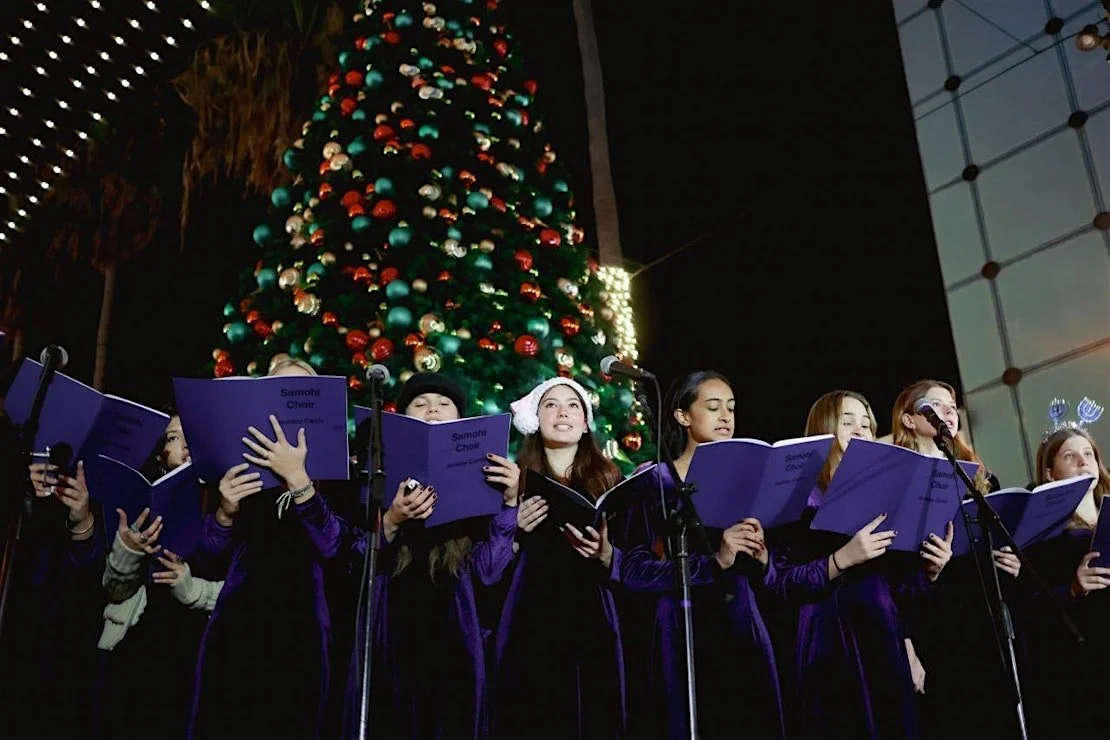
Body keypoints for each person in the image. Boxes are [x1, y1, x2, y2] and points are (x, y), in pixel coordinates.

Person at [771, 389, 953, 740]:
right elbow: (781, 583)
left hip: (883, 639)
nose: (860, 429)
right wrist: (843, 559)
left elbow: (896, 587)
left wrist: (930, 570)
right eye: (848, 421)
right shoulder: (801, 497)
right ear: (824, 428)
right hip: (830, 646)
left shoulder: (886, 496)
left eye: (867, 424)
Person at [617, 370, 784, 739]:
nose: (726, 416)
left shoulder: (750, 478)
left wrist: (762, 558)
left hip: (742, 623)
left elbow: (778, 574)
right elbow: (632, 569)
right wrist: (714, 562)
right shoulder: (656, 482)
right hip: (682, 630)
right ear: (683, 416)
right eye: (712, 407)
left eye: (731, 408)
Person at [354, 372, 520, 739]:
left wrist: (509, 504)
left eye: (444, 404)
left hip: (455, 650)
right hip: (390, 641)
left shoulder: (482, 488)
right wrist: (392, 520)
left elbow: (489, 573)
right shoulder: (374, 480)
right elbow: (353, 561)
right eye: (420, 403)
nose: (432, 409)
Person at [187, 357, 346, 739]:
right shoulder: (235, 469)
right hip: (237, 631)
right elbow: (207, 556)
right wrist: (225, 512)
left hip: (301, 637)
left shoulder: (336, 474)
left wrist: (299, 481)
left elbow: (335, 546)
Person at [493, 377, 626, 738]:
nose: (562, 412)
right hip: (529, 616)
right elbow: (487, 567)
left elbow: (633, 560)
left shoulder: (612, 481)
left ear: (585, 423)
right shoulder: (511, 481)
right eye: (551, 404)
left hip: (592, 615)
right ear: (536, 419)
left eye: (573, 405)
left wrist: (606, 553)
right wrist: (512, 526)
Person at [889, 379, 1021, 740]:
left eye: (952, 406)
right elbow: (888, 574)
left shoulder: (980, 478)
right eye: (935, 405)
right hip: (936, 626)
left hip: (985, 620)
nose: (948, 411)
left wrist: (1011, 565)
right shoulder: (895, 482)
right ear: (908, 419)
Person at [1022, 399, 1109, 737]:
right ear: (1049, 472)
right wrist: (1074, 588)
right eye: (1070, 456)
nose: (1082, 462)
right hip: (1084, 663)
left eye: (1088, 454)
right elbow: (1028, 607)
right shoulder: (1040, 532)